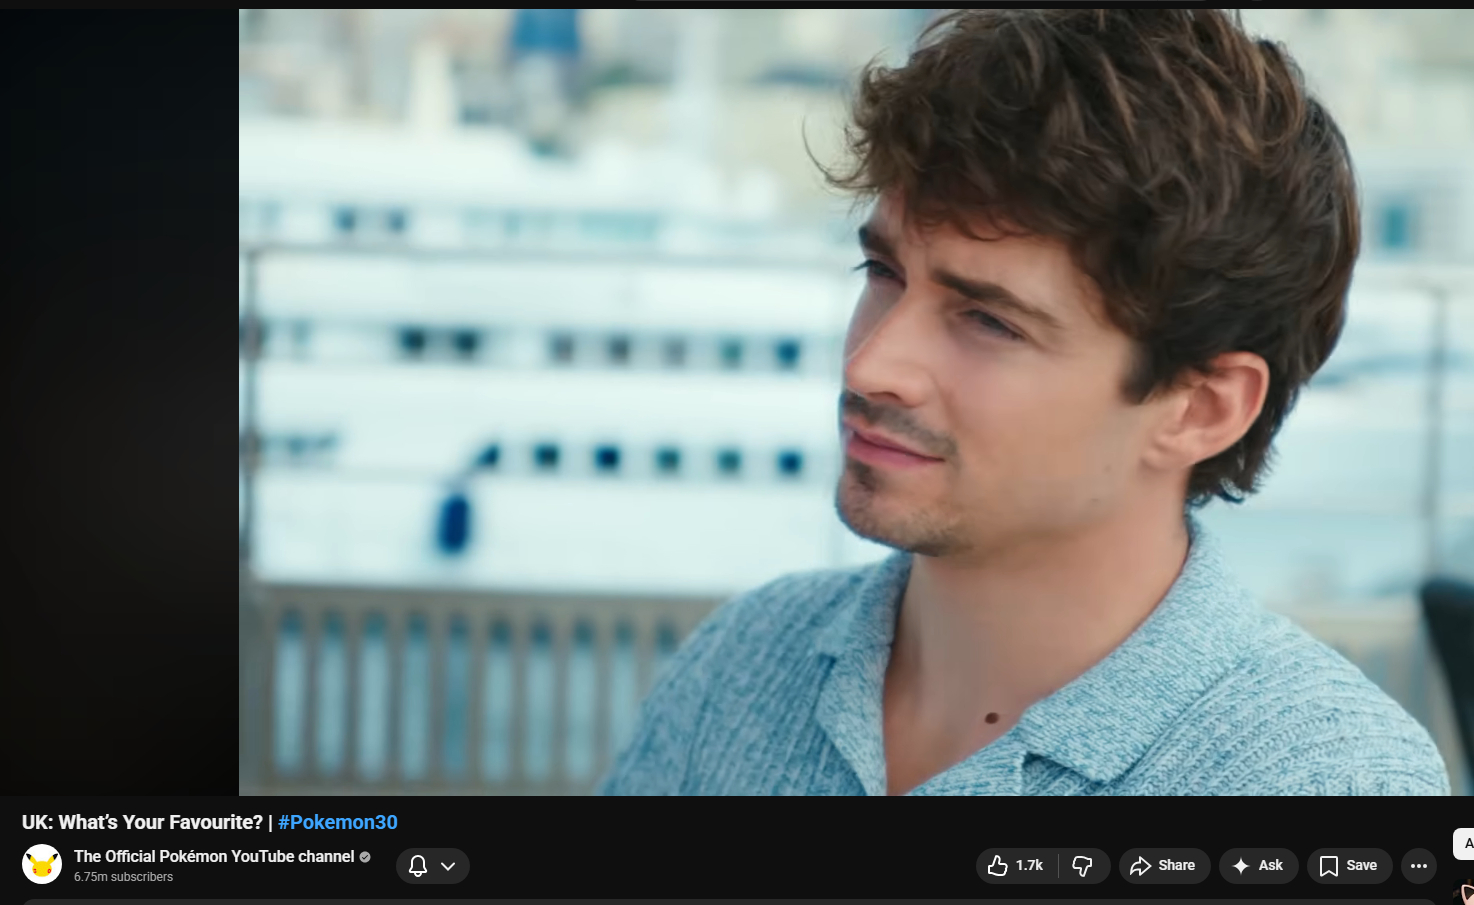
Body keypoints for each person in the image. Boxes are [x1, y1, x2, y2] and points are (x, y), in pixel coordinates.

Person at [598, 8, 1450, 795]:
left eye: (988, 321)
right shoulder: (744, 662)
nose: (870, 362)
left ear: (1200, 409)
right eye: (883, 272)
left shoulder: (1321, 781)